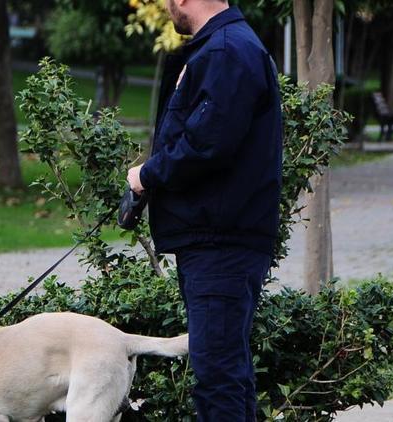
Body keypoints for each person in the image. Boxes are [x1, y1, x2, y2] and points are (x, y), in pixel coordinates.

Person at [126, 1, 282, 420]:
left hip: (221, 243)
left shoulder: (226, 51)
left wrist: (147, 175)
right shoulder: (223, 48)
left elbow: (205, 144)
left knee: (218, 378)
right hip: (218, 240)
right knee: (227, 372)